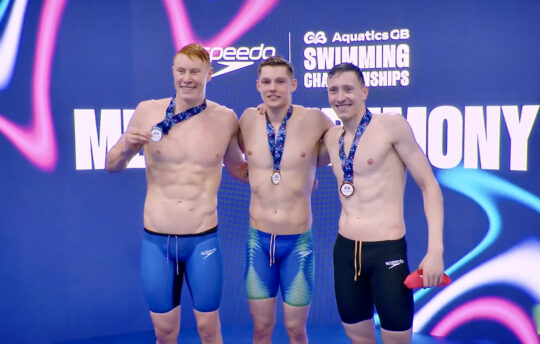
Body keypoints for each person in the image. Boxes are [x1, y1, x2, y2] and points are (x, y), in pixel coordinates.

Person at [105, 43, 247, 344]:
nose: (187, 78)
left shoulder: (225, 119)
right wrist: (126, 145)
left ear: (209, 73)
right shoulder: (147, 111)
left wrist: (288, 178)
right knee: (165, 333)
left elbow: (238, 168)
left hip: (202, 240)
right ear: (173, 72)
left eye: (195, 71)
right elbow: (113, 165)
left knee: (209, 330)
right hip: (157, 242)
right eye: (181, 70)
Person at [323, 63, 444, 344]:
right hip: (345, 251)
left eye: (348, 89)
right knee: (358, 337)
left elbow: (430, 187)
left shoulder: (391, 126)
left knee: (396, 339)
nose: (340, 97)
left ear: (364, 92)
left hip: (386, 251)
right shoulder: (331, 137)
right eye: (333, 91)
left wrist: (435, 250)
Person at [238, 56, 333, 344]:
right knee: (262, 328)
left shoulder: (314, 119)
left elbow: (341, 148)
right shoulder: (247, 119)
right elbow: (244, 162)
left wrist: (304, 178)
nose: (273, 87)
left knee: (295, 329)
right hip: (259, 241)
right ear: (257, 85)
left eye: (280, 81)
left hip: (297, 243)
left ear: (293, 84)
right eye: (266, 81)